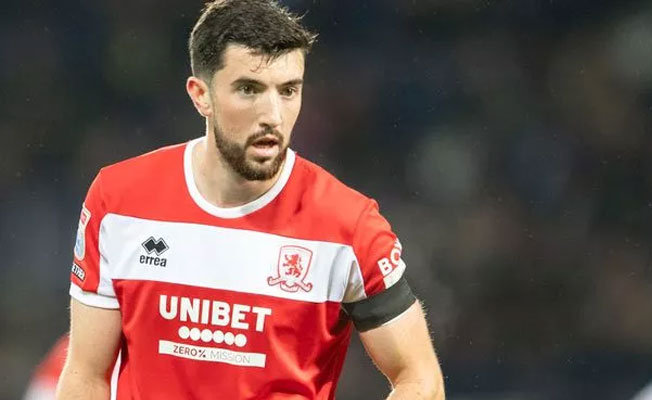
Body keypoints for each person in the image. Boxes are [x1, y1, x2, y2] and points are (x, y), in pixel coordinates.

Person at [56, 1, 445, 399]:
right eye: (249, 89)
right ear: (201, 96)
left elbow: (420, 379)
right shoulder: (119, 201)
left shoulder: (349, 225)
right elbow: (86, 376)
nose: (273, 115)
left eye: (288, 90)